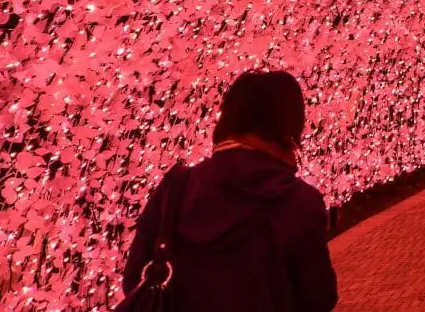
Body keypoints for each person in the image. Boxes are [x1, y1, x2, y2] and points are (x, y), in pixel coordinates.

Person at [122, 71, 337, 312]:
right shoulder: (299, 202)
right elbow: (319, 298)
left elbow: (135, 279)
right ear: (289, 129)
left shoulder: (176, 188)